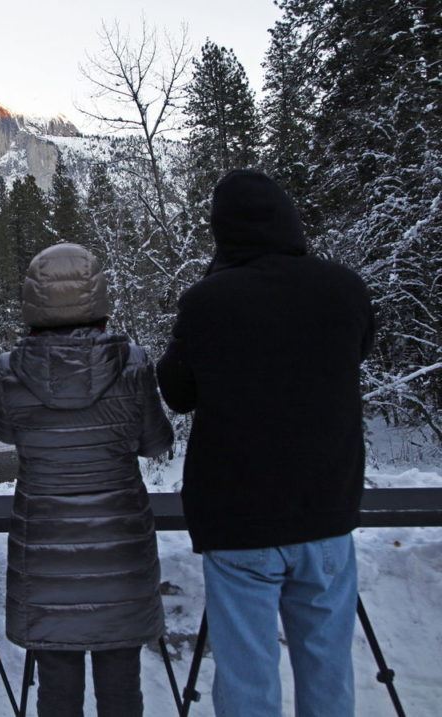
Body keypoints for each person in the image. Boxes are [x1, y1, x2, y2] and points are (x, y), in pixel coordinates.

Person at [156, 170, 375, 717]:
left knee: (247, 677)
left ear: (221, 232)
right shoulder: (345, 289)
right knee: (327, 668)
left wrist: (215, 284)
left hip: (239, 522)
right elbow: (356, 352)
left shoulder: (207, 302)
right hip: (326, 511)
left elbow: (178, 391)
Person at [0, 242, 173, 717]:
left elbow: (3, 431)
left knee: (56, 689)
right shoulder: (133, 363)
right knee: (121, 687)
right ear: (99, 300)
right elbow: (155, 443)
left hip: (45, 552)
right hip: (121, 550)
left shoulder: (11, 371)